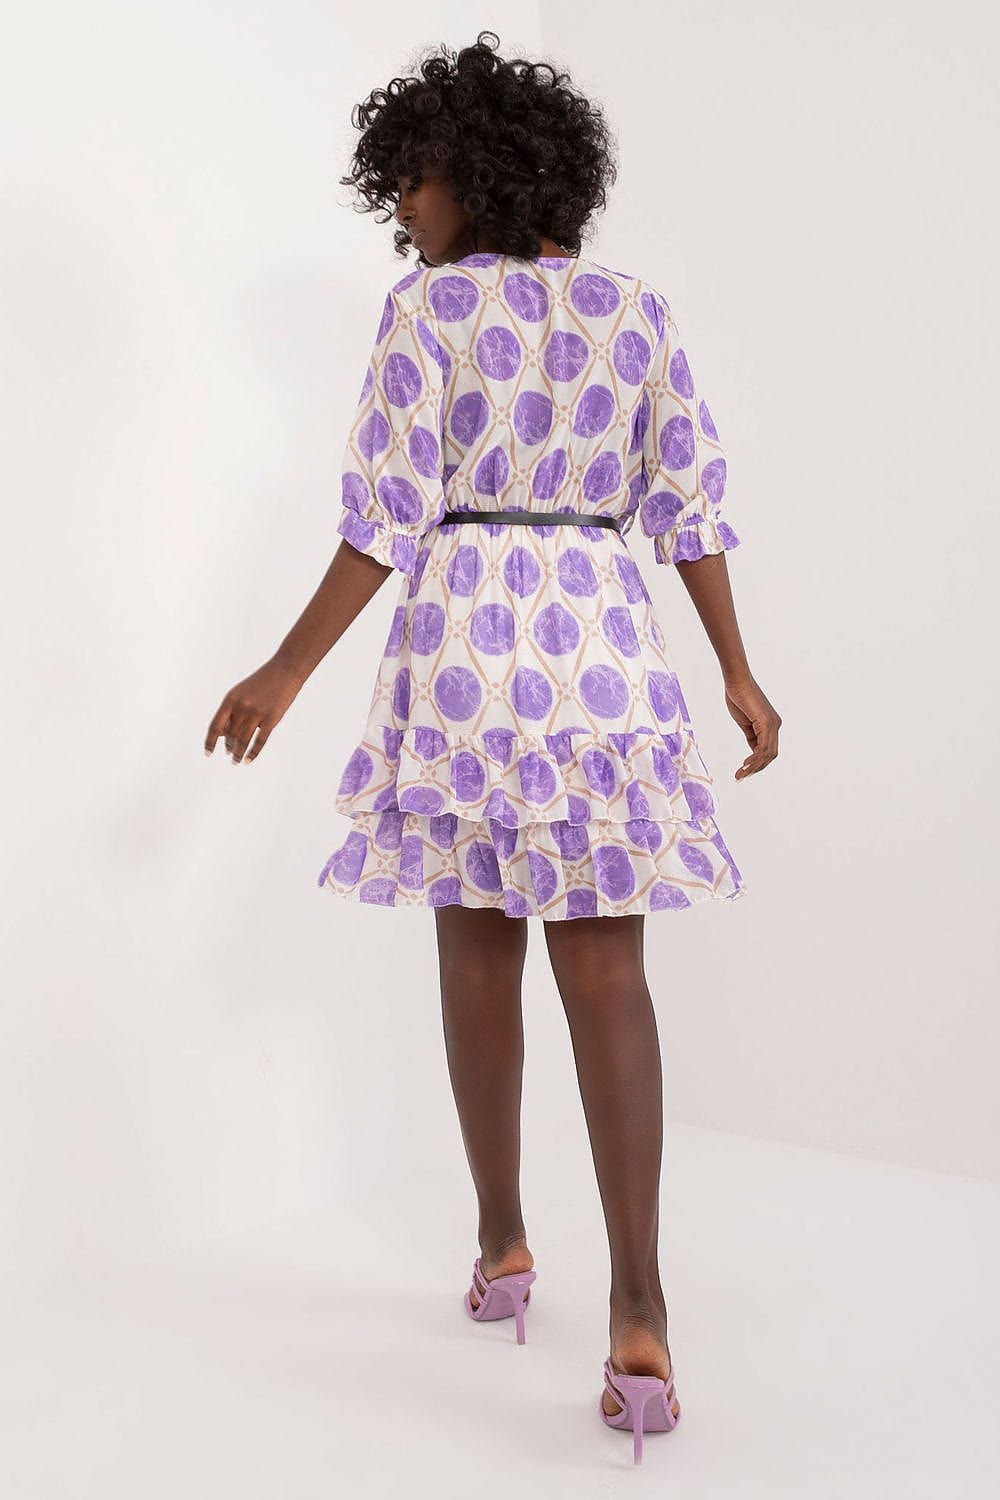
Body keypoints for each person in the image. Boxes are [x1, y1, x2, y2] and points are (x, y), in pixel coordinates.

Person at [205, 30, 780, 1463]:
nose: (403, 209)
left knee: (476, 951)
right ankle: (640, 1307)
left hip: (467, 646)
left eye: (414, 180)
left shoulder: (430, 313)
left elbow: (386, 514)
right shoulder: (635, 312)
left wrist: (285, 666)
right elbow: (689, 505)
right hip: (601, 646)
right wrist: (735, 670)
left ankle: (505, 1247)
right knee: (609, 971)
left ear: (474, 172)